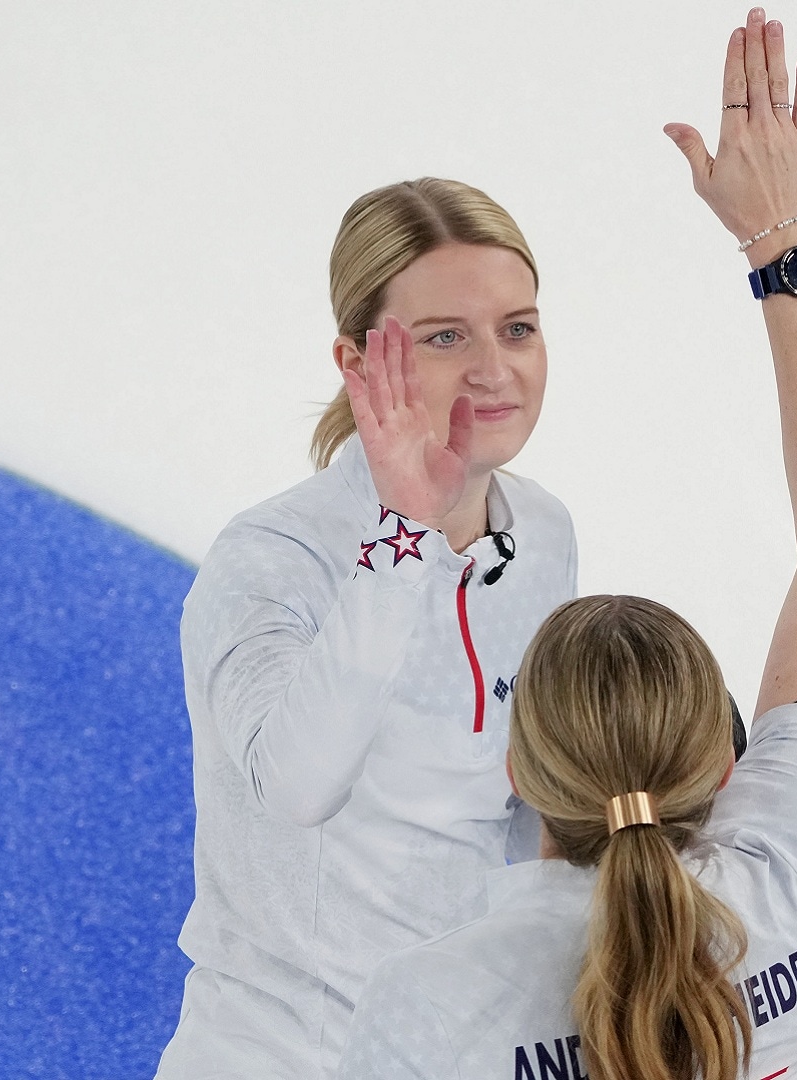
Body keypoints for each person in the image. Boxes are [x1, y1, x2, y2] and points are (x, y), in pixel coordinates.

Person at [338, 10, 797, 1080]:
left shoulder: (424, 1008)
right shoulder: (783, 870)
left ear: (519, 772)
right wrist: (779, 242)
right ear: (730, 767)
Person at [156, 178, 578, 1078]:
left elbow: (527, 814)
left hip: (455, 1050)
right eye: (443, 338)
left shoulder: (542, 538)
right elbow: (297, 785)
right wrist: (403, 539)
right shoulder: (269, 560)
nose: (494, 369)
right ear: (356, 363)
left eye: (518, 327)